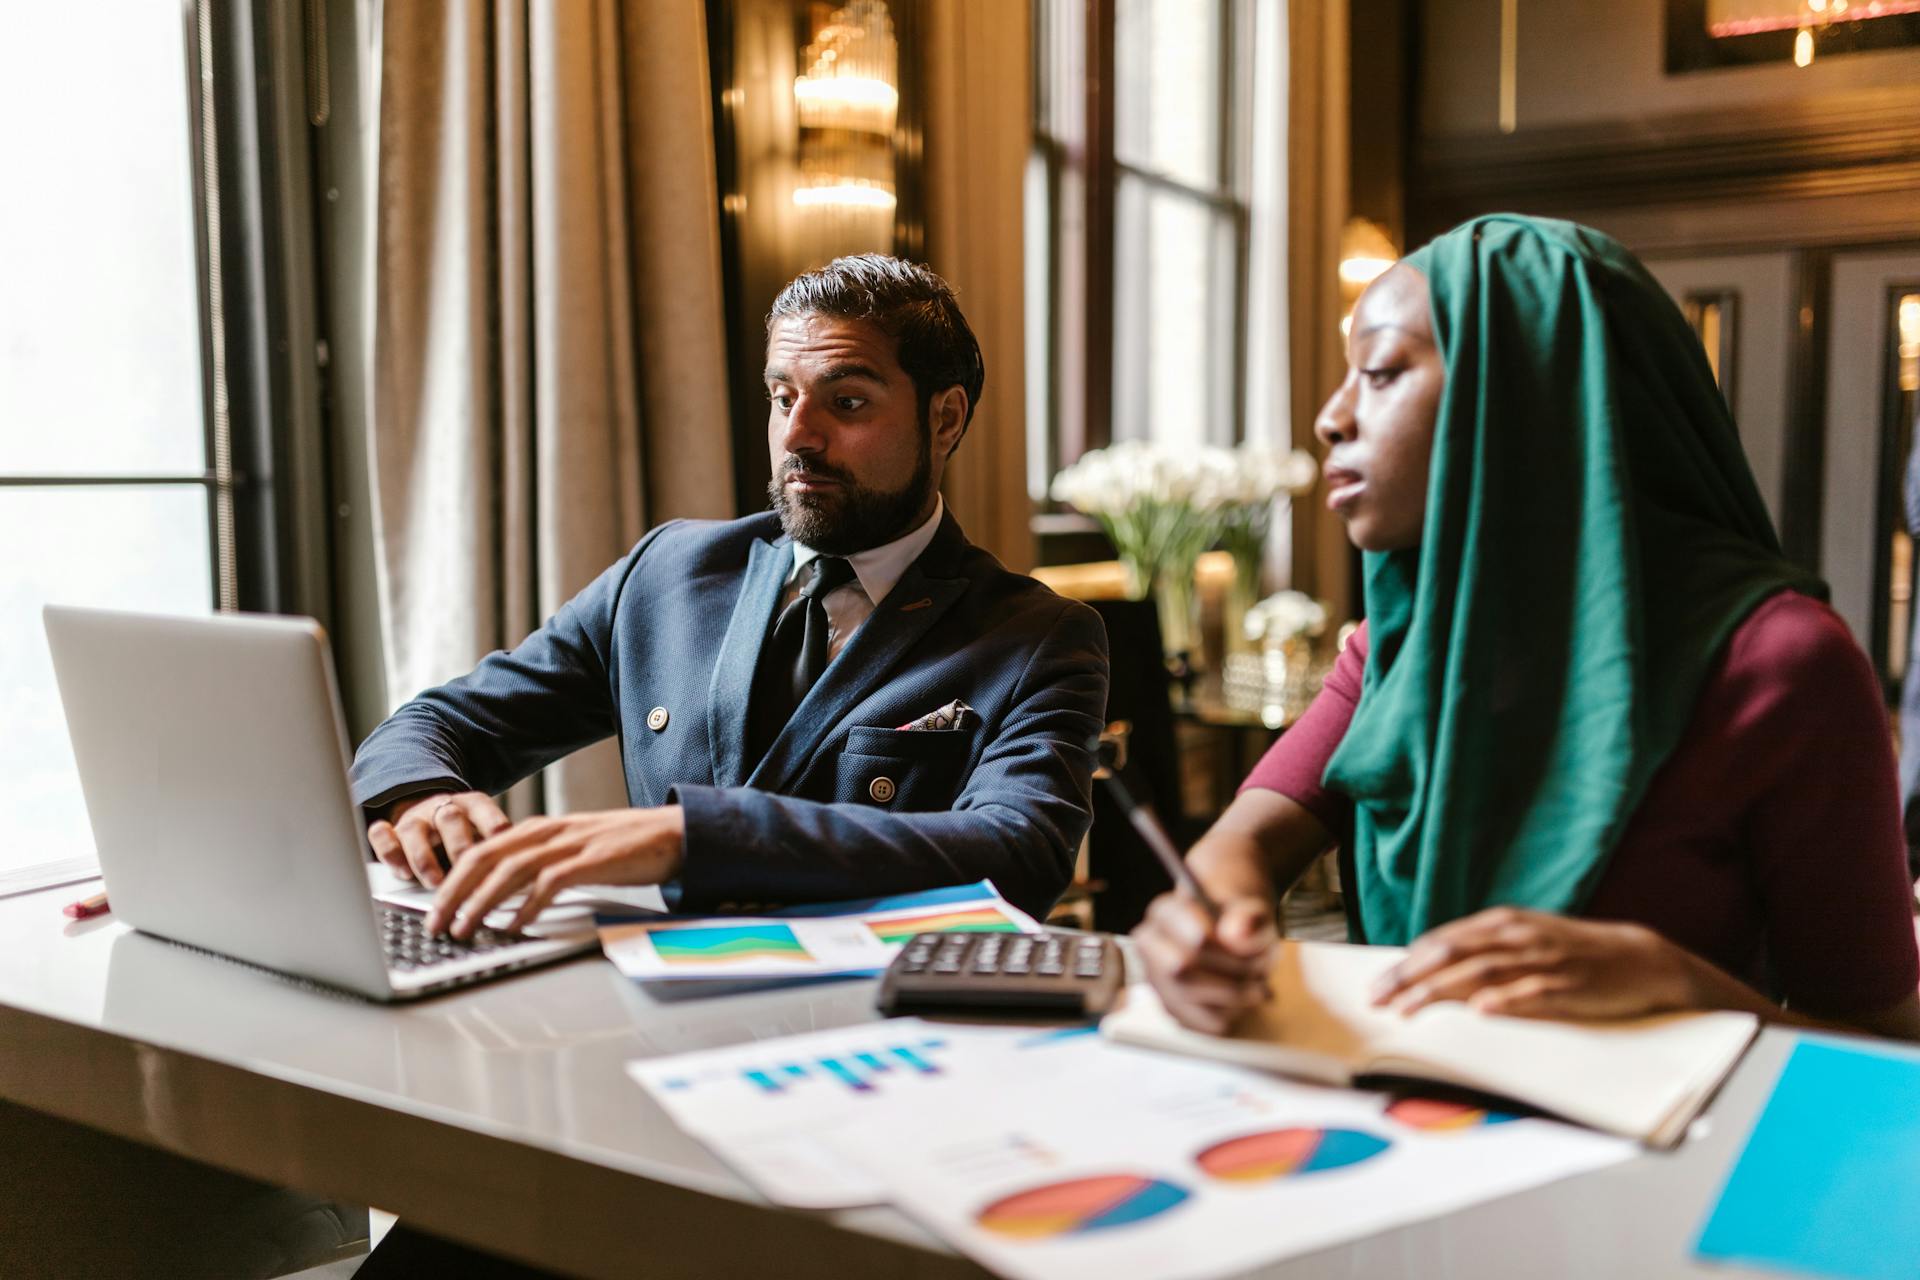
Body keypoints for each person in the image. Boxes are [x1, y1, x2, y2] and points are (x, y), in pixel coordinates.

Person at [1135, 214, 1920, 1042]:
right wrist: (1204, 918)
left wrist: (1674, 980)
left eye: (1381, 372)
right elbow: (1242, 845)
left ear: (1528, 393)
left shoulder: (1783, 663)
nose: (1332, 417)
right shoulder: (1391, 648)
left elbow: (1888, 1048)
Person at [350, 254, 1109, 938]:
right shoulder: (667, 571)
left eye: (846, 404)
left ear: (944, 419)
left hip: (872, 1039)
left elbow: (1018, 851)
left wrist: (693, 839)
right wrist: (425, 800)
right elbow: (441, 723)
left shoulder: (1041, 635)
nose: (798, 436)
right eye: (783, 398)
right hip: (633, 1013)